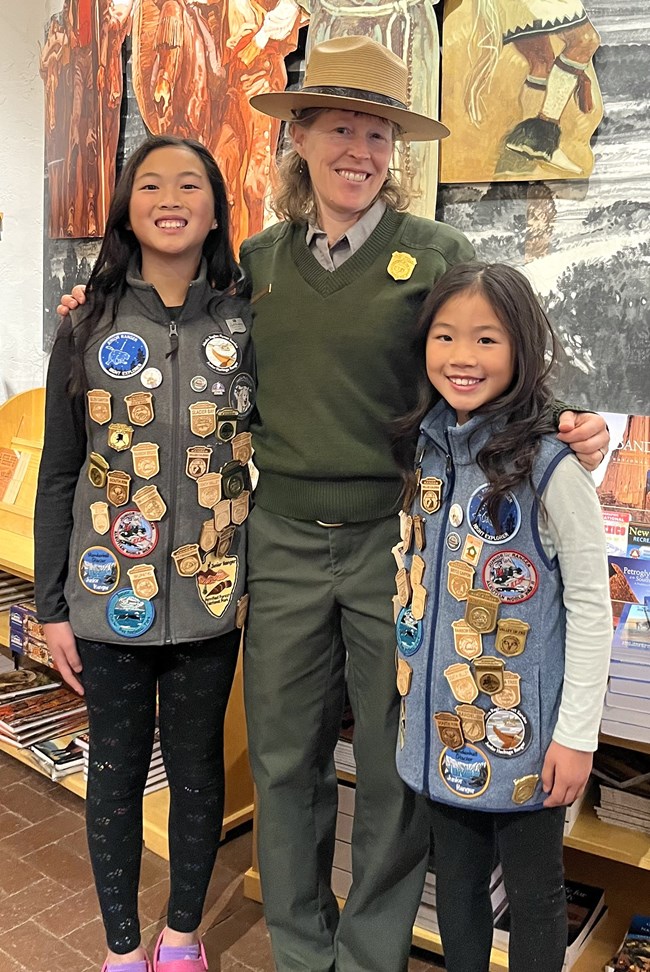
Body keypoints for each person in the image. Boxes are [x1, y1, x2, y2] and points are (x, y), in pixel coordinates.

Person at [57, 37, 609, 972]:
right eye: (341, 128)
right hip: (275, 541)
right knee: (282, 759)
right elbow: (183, 312)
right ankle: (304, 952)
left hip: (396, 543)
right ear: (301, 138)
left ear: (395, 153)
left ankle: (369, 957)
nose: (360, 150)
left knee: (395, 768)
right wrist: (97, 300)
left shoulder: (435, 251)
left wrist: (562, 418)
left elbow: (483, 345)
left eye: (380, 135)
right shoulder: (257, 264)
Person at [35, 134, 254, 972]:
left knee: (198, 773)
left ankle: (184, 938)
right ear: (128, 206)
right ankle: (123, 949)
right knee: (117, 774)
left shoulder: (241, 322)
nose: (170, 197)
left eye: (189, 184)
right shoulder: (86, 325)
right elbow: (60, 475)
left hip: (209, 600)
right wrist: (52, 607)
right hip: (102, 598)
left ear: (214, 209)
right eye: (151, 183)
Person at [391, 262, 611, 972]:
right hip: (444, 730)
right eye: (446, 336)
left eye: (486, 339)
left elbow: (588, 602)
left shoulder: (554, 463)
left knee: (534, 897)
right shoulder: (428, 448)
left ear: (520, 347)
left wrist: (576, 735)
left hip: (530, 744)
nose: (463, 357)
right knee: (455, 887)